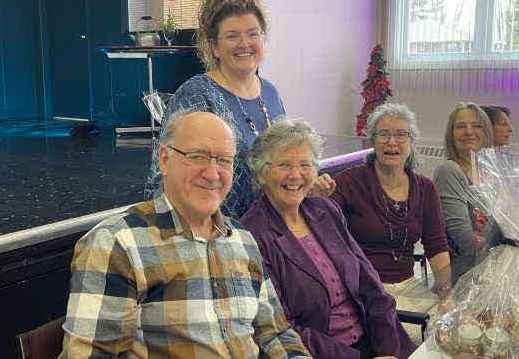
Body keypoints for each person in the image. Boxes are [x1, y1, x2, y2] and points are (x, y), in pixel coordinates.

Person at [59, 111, 311, 358]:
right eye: (198, 156)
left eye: (224, 160)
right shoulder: (117, 244)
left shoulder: (242, 238)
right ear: (165, 160)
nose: (213, 174)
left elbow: (276, 335)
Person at [144, 0, 334, 219]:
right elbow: (161, 182)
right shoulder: (196, 96)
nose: (244, 44)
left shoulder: (271, 93)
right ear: (214, 46)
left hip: (267, 234)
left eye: (253, 34)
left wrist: (303, 190)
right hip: (213, 237)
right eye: (232, 36)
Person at [240, 118, 415, 358]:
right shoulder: (251, 235)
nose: (295, 175)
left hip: (379, 343)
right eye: (283, 164)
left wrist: (388, 349)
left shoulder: (326, 211)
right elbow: (281, 328)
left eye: (305, 164)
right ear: (261, 174)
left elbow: (371, 286)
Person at [329, 103, 451, 344]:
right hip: (365, 289)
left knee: (449, 332)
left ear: (412, 142)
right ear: (372, 141)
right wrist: (319, 197)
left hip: (408, 284)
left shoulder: (425, 188)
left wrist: (446, 295)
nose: (391, 141)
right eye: (383, 134)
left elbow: (437, 246)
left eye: (401, 134)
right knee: (418, 338)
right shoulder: (350, 181)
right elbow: (319, 220)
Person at [433, 102, 494, 284]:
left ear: (486, 132)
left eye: (476, 125)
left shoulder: (490, 173)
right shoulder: (450, 171)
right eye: (460, 126)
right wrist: (506, 251)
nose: (469, 131)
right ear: (451, 134)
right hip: (465, 281)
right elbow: (464, 238)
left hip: (495, 274)